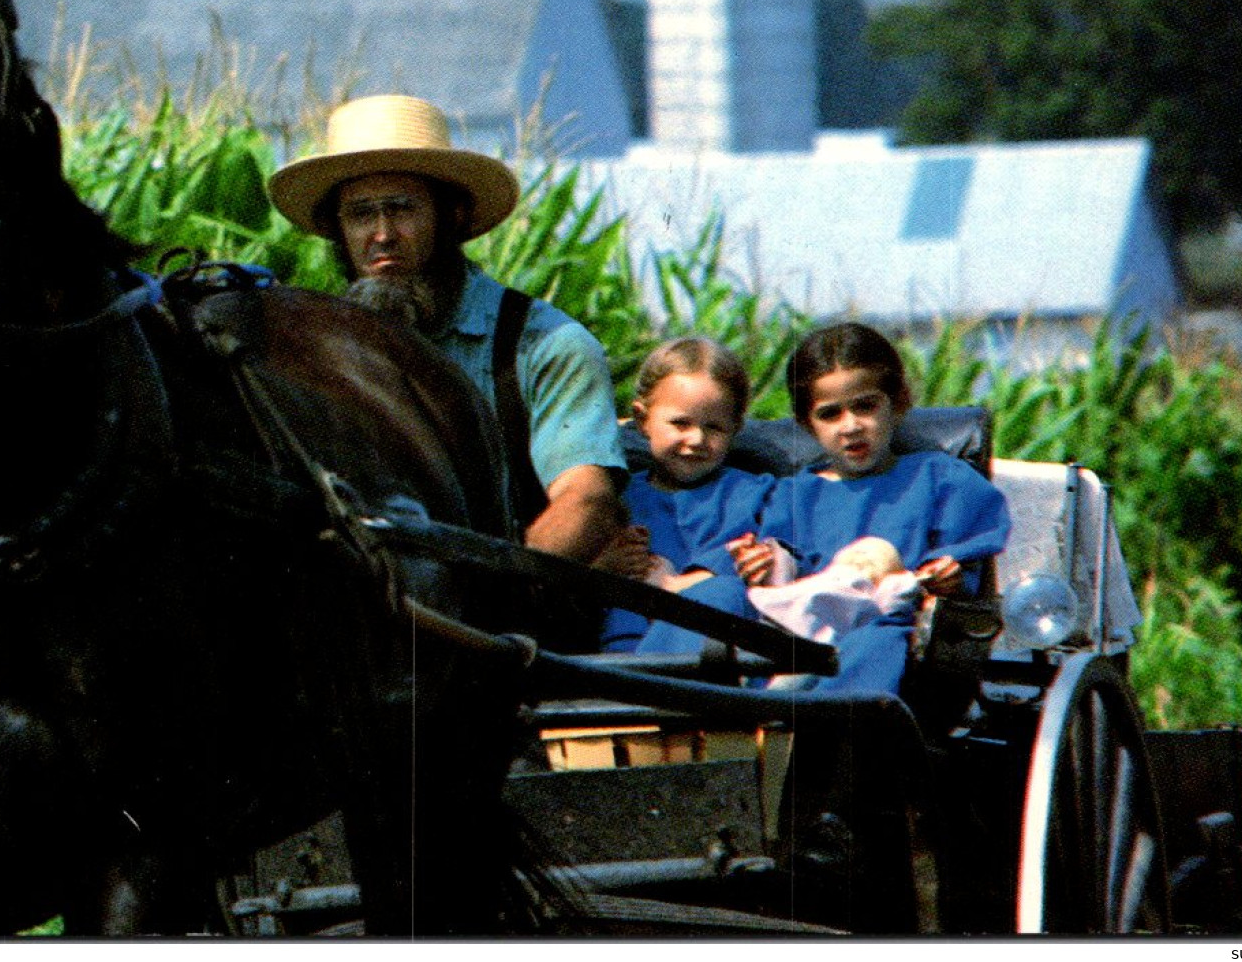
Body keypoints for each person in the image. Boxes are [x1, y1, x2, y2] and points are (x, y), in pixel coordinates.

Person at [267, 94, 627, 575]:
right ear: (337, 230)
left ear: (451, 216)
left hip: (507, 622)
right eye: (360, 215)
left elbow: (585, 502)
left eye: (401, 209)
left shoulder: (545, 345)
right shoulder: (312, 353)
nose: (382, 235)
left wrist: (489, 589)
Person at [636, 321, 1011, 695]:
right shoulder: (793, 495)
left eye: (865, 407)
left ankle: (819, 736)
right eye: (830, 414)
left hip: (886, 626)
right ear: (806, 423)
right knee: (717, 595)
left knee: (877, 640)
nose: (850, 426)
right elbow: (780, 568)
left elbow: (963, 570)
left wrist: (950, 576)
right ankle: (648, 703)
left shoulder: (942, 479)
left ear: (897, 403)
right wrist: (763, 563)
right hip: (793, 629)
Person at [591, 337, 774, 651]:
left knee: (724, 592)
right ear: (642, 419)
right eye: (680, 423)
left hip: (715, 653)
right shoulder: (617, 498)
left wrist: (676, 585)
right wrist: (604, 566)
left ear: (736, 428)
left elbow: (770, 560)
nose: (697, 439)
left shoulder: (755, 494)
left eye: (714, 428)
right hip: (624, 652)